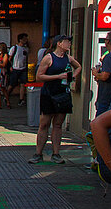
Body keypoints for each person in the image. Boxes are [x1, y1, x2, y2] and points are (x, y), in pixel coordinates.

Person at [30, 34, 81, 163]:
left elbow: (79, 67)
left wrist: (72, 76)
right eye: (67, 42)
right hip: (49, 94)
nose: (69, 44)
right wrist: (58, 77)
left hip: (63, 94)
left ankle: (56, 153)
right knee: (44, 123)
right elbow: (39, 76)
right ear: (59, 43)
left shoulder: (68, 58)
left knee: (58, 124)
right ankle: (38, 153)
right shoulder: (48, 58)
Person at [8, 33, 30, 106]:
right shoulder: (14, 48)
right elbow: (10, 58)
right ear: (20, 40)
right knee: (12, 84)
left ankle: (21, 99)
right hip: (15, 68)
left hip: (23, 68)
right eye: (24, 39)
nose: (25, 40)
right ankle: (6, 95)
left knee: (23, 84)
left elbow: (26, 58)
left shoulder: (26, 49)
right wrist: (10, 66)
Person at [0, 42, 12, 109]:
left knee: (3, 88)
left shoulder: (5, 55)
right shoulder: (0, 55)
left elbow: (4, 64)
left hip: (2, 73)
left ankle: (8, 102)